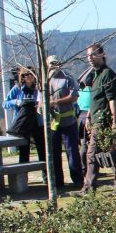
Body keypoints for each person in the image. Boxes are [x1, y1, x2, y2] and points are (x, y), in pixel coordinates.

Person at [80, 43, 116, 195]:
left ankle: (88, 188)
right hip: (95, 119)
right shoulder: (95, 75)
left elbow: (112, 100)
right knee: (110, 154)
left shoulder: (108, 74)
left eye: (93, 54)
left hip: (104, 120)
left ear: (102, 54)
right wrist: (88, 116)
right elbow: (94, 99)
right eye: (88, 55)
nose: (90, 58)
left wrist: (114, 122)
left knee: (91, 153)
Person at [46, 55, 83, 188]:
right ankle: (57, 182)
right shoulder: (44, 80)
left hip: (68, 121)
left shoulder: (67, 77)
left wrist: (55, 102)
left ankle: (78, 181)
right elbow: (40, 100)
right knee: (54, 153)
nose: (54, 66)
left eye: (56, 63)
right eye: (51, 64)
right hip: (52, 123)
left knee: (72, 152)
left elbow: (74, 96)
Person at [3, 67, 45, 166]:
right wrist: (16, 102)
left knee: (42, 149)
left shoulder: (38, 89)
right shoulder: (17, 89)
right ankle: (23, 177)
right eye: (27, 74)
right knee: (24, 151)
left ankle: (46, 176)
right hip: (23, 123)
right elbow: (5, 103)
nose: (30, 77)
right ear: (23, 77)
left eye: (32, 74)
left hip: (37, 122)